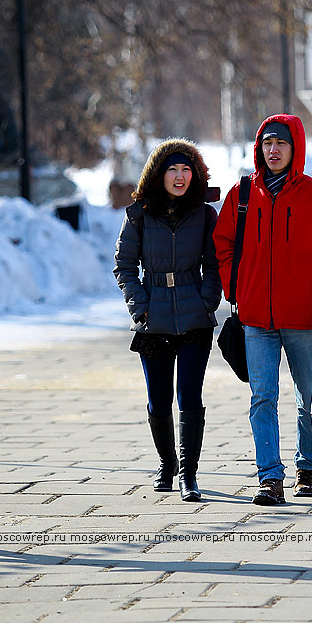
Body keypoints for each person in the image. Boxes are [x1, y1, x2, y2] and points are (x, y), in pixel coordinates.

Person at [214, 114, 312, 505]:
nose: (273, 150)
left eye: (281, 144)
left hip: (304, 319)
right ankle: (269, 478)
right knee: (262, 397)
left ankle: (307, 467)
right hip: (255, 318)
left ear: (295, 149)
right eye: (267, 144)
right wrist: (235, 287)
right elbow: (223, 245)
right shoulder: (241, 196)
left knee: (309, 397)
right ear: (258, 149)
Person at [114, 139, 221, 502]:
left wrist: (208, 300)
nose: (180, 177)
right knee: (158, 401)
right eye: (173, 170)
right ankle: (167, 463)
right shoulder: (140, 214)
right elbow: (124, 266)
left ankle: (189, 473)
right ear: (159, 174)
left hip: (195, 319)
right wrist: (139, 306)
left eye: (186, 169)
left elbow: (215, 263)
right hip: (153, 318)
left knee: (189, 396)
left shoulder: (205, 214)